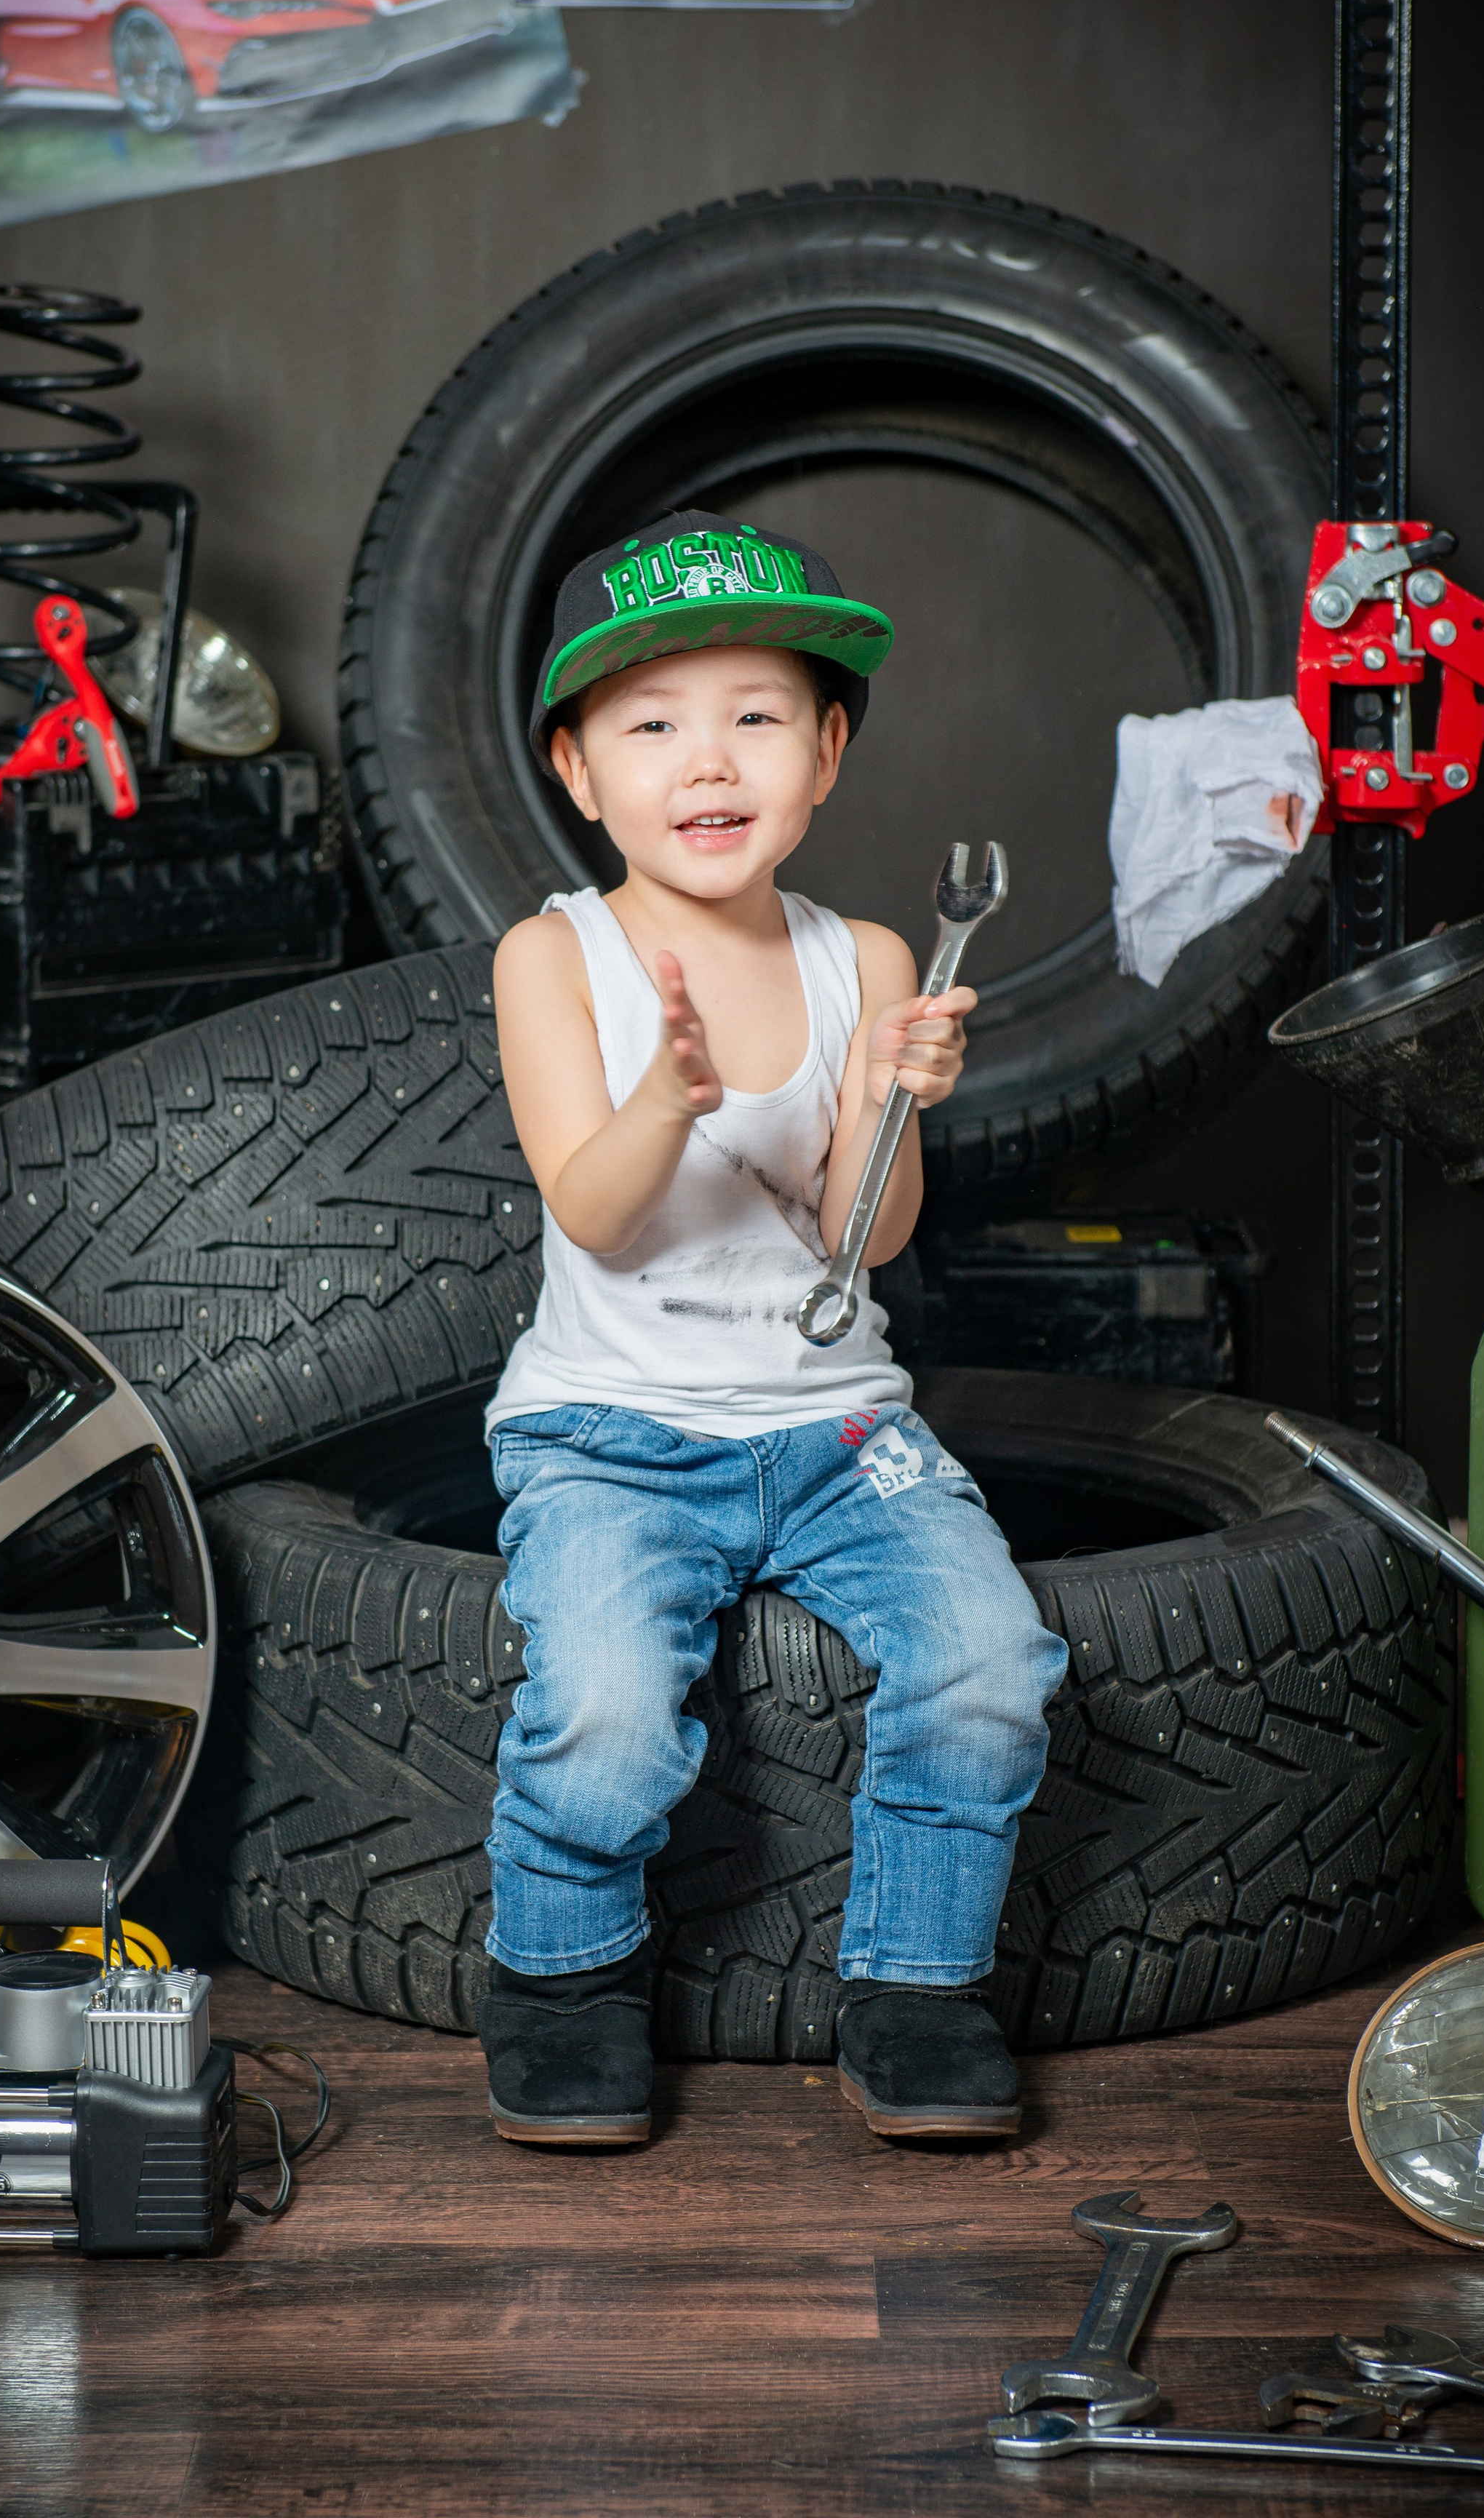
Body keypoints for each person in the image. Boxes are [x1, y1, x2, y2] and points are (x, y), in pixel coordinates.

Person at [477, 511, 1069, 2148]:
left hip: (834, 1428)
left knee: (988, 1662)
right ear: (578, 771)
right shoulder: (554, 957)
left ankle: (916, 1989)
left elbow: (860, 1237)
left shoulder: (865, 954)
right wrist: (666, 1098)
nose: (706, 757)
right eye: (651, 723)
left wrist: (894, 1095)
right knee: (601, 1712)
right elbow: (594, 1210)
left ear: (826, 750)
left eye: (753, 715)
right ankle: (558, 1975)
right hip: (610, 1432)